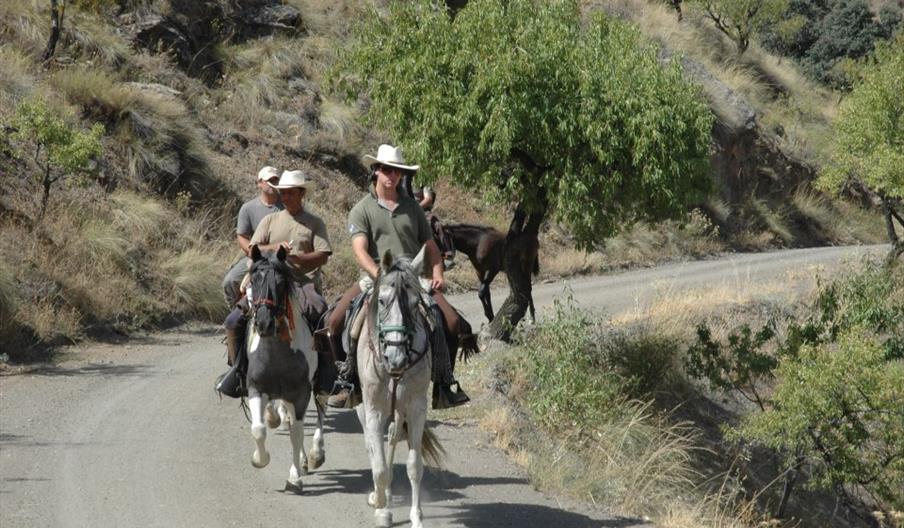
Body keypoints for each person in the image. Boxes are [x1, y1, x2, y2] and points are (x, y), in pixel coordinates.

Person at [323, 144, 470, 409]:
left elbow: (430, 246)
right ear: (376, 171)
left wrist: (437, 272)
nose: (392, 175)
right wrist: (380, 274)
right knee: (335, 322)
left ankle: (444, 384)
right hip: (375, 277)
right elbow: (360, 251)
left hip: (413, 277)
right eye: (387, 170)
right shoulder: (361, 209)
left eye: (398, 171)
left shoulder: (413, 208)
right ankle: (348, 381)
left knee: (451, 322)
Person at [216, 169, 331, 398]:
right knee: (233, 321)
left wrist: (296, 259)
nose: (285, 197)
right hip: (270, 281)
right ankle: (238, 371)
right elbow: (253, 249)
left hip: (302, 282)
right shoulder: (270, 220)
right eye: (283, 193)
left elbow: (323, 254)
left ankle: (327, 376)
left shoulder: (314, 223)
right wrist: (276, 249)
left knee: (322, 313)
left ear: (301, 194)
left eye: (290, 193)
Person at [221, 166, 283, 368]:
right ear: (259, 183)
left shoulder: (286, 206)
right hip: (254, 257)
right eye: (268, 180)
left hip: (281, 259)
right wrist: (254, 253)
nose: (273, 184)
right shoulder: (248, 208)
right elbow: (242, 236)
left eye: (276, 179)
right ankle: (242, 315)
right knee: (230, 280)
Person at [402, 171, 455, 270]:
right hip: (404, 210)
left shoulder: (423, 182)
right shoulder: (400, 180)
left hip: (422, 210)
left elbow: (428, 199)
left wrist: (416, 208)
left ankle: (446, 255)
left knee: (437, 225)